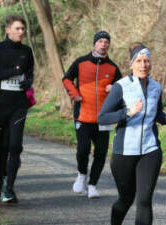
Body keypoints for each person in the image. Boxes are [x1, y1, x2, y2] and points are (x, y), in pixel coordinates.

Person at [98, 42, 166, 225]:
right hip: (124, 152)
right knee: (125, 199)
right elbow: (103, 117)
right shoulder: (121, 86)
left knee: (144, 201)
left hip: (150, 150)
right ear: (131, 64)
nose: (143, 65)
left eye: (146, 61)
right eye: (139, 61)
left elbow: (156, 113)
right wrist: (128, 112)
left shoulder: (156, 87)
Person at [62, 30, 122, 198]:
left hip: (104, 117)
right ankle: (81, 175)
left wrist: (114, 88)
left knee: (101, 153)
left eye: (106, 41)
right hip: (83, 115)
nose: (104, 44)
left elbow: (122, 88)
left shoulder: (112, 67)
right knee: (83, 149)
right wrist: (75, 94)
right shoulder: (81, 62)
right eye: (101, 41)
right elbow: (66, 79)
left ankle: (93, 185)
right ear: (94, 43)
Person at [0, 14, 34, 203]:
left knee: (15, 146)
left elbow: (30, 75)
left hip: (18, 105)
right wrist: (12, 72)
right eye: (17, 28)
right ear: (7, 30)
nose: (21, 32)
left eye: (23, 29)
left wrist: (27, 83)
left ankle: (10, 188)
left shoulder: (27, 51)